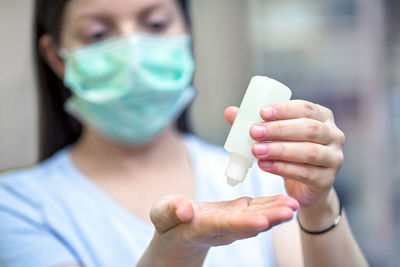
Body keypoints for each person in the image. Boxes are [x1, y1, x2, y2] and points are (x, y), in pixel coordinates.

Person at [0, 0, 368, 266]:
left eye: (156, 24)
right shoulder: (16, 208)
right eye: (99, 33)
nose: (135, 55)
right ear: (56, 58)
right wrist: (177, 251)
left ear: (186, 32)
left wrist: (319, 207)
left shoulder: (267, 179)